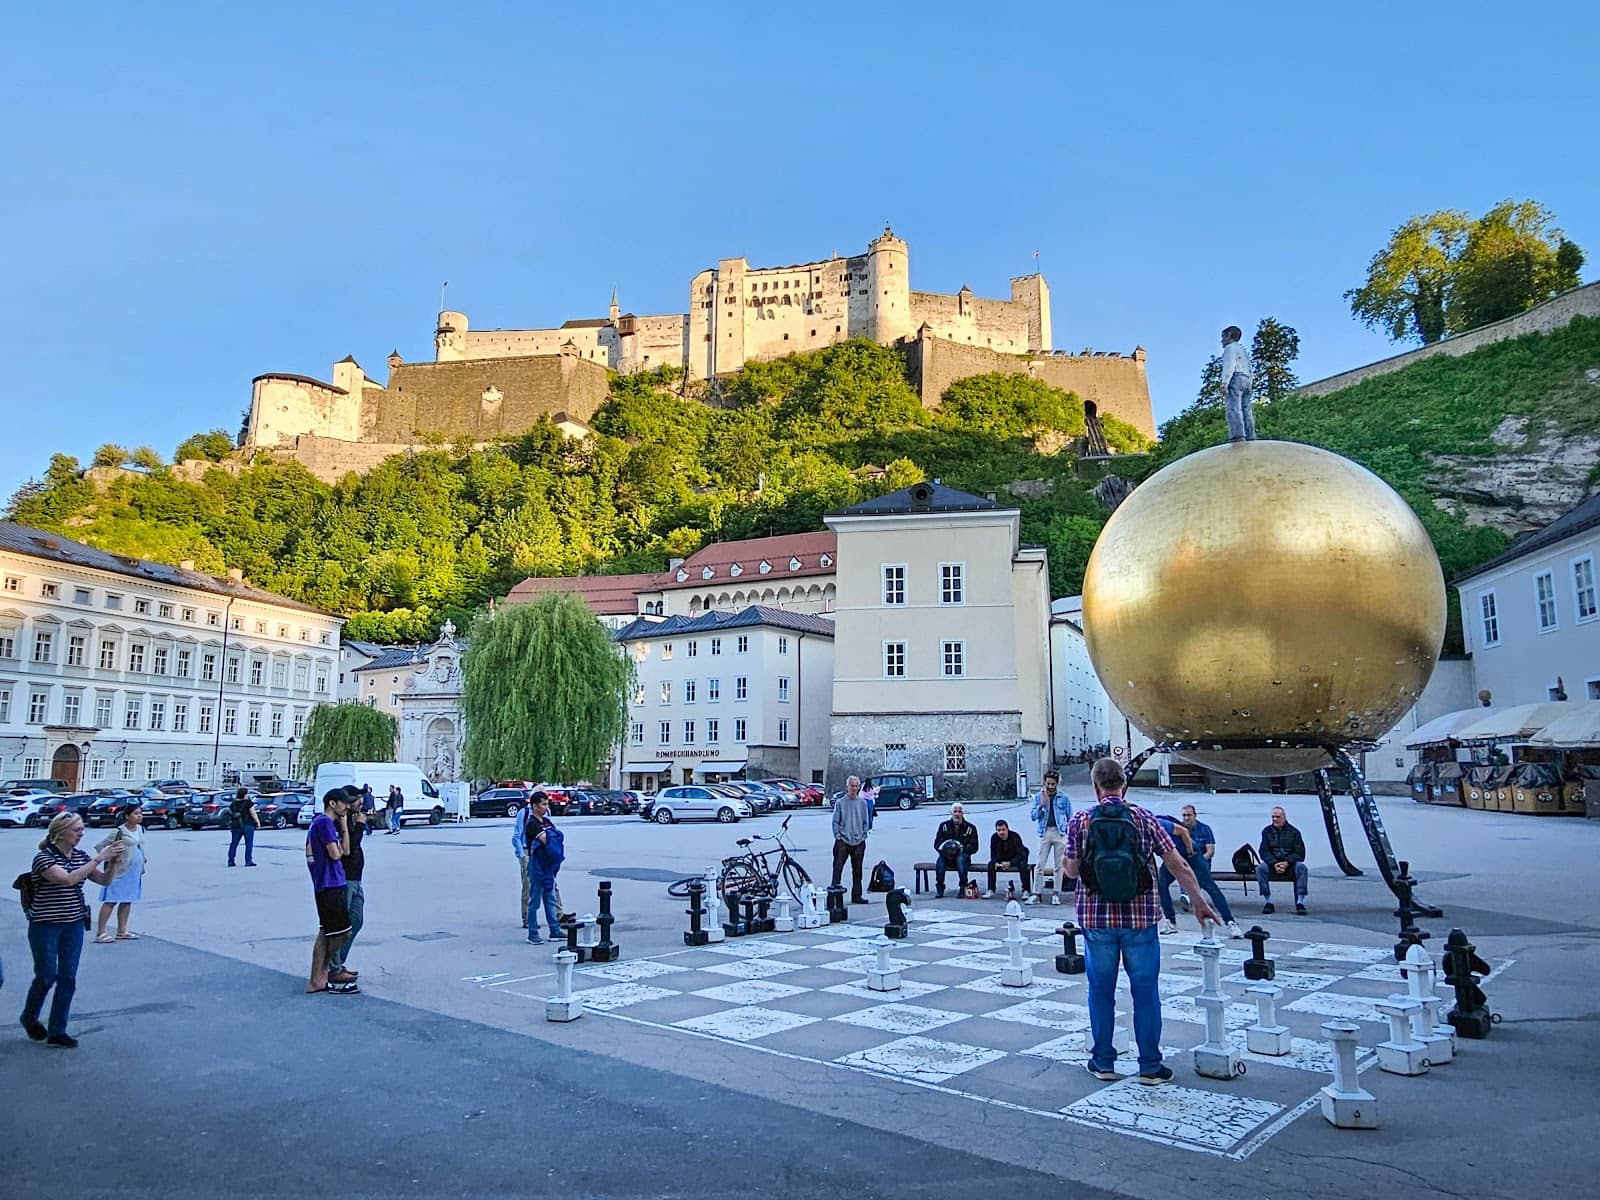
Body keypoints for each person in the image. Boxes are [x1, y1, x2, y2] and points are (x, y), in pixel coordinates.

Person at [1065, 758, 1219, 1086]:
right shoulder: (1145, 818)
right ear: (1124, 785)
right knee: (1146, 992)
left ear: (1095, 787)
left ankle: (1103, 1061)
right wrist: (1199, 901)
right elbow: (1178, 864)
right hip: (1141, 920)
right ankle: (1150, 1065)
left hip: (1097, 919)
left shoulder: (1081, 821)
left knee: (1100, 991)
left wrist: (1072, 860)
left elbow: (1072, 871)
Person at [21, 812, 124, 1047]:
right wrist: (99, 858)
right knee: (46, 975)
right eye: (76, 830)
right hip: (45, 924)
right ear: (61, 833)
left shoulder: (80, 856)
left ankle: (58, 1030)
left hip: (73, 923)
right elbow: (67, 879)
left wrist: (112, 862)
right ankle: (29, 1016)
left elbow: (103, 881)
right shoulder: (44, 858)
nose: (81, 833)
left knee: (68, 977)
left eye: (81, 829)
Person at [305, 789, 358, 994]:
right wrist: (336, 840)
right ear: (332, 804)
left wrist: (343, 828)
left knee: (327, 931)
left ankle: (317, 979)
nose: (347, 806)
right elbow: (336, 855)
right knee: (342, 932)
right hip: (329, 884)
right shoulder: (324, 823)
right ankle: (323, 973)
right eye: (343, 803)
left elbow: (345, 850)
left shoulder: (327, 824)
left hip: (331, 883)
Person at [1173, 803, 1244, 938]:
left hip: (1201, 863)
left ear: (1195, 815)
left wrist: (1199, 860)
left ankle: (1230, 922)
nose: (1186, 818)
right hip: (1185, 864)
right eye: (1184, 815)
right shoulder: (1178, 829)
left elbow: (1210, 851)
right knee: (1177, 876)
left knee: (1210, 887)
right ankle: (1176, 912)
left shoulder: (1205, 829)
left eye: (1189, 815)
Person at [326, 786, 367, 981]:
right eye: (357, 798)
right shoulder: (338, 823)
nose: (361, 801)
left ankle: (338, 963)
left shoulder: (350, 819)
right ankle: (334, 968)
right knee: (342, 925)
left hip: (356, 877)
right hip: (345, 877)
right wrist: (359, 825)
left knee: (356, 921)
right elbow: (349, 849)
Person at [94, 802, 146, 943]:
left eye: (140, 813)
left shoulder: (140, 829)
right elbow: (100, 846)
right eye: (136, 813)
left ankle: (122, 931)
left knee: (127, 900)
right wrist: (112, 858)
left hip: (133, 872)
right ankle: (101, 932)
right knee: (111, 901)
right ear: (127, 816)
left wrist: (143, 859)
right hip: (119, 871)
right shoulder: (118, 831)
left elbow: (138, 845)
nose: (139, 815)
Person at [523, 793, 565, 944]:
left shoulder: (546, 821)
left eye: (547, 804)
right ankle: (532, 933)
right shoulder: (532, 824)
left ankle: (554, 930)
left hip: (548, 864)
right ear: (534, 805)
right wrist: (553, 837)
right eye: (543, 804)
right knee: (535, 900)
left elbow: (557, 838)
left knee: (550, 898)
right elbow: (548, 840)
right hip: (537, 864)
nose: (546, 807)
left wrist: (553, 837)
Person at [1029, 768, 1072, 905]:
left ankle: (1056, 893)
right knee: (1040, 864)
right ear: (1044, 783)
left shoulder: (1063, 798)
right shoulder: (1038, 797)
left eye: (1053, 784)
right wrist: (1042, 805)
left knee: (1059, 865)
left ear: (1057, 784)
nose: (1050, 787)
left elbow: (1070, 816)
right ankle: (1036, 893)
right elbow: (1033, 817)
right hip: (1044, 832)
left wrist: (1069, 833)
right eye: (1048, 784)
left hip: (1059, 832)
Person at [1257, 805, 1308, 915]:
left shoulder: (1295, 832)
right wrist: (1274, 863)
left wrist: (1286, 862)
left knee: (1302, 868)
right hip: (1272, 865)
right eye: (1273, 817)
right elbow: (1263, 851)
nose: (1275, 819)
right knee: (1260, 868)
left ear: (1284, 817)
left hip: (1290, 865)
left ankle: (1300, 902)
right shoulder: (1266, 831)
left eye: (1277, 817)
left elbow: (1300, 853)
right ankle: (1268, 901)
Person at [830, 776, 871, 905]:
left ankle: (857, 895)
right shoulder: (841, 803)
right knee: (837, 868)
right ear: (847, 786)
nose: (854, 788)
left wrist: (864, 835)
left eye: (856, 786)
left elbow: (866, 821)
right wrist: (838, 836)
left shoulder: (862, 803)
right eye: (852, 786)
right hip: (843, 840)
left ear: (859, 787)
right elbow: (835, 821)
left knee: (858, 870)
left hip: (858, 841)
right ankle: (834, 895)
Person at [932, 803, 980, 899]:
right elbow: (937, 844)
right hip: (946, 856)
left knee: (961, 860)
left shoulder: (971, 828)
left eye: (959, 812)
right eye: (955, 812)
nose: (957, 814)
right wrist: (945, 851)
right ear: (951, 813)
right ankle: (940, 888)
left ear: (963, 813)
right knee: (940, 863)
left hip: (963, 856)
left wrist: (962, 849)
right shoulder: (943, 826)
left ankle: (963, 887)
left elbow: (975, 847)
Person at [1220, 325, 1255, 442]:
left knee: (1233, 407)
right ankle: (1250, 434)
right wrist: (1250, 383)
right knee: (1246, 408)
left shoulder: (1229, 348)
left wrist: (1224, 383)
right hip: (1246, 379)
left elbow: (1229, 365)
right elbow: (1249, 368)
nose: (1221, 341)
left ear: (1229, 335)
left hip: (1236, 377)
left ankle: (1237, 434)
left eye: (1223, 337)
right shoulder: (1243, 350)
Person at [985, 819, 1032, 899]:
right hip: (1003, 857)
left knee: (1024, 866)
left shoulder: (1015, 836)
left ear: (1007, 829)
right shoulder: (994, 837)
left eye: (1003, 830)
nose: (1001, 832)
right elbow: (993, 854)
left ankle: (1026, 890)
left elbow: (1020, 854)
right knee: (991, 865)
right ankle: (991, 889)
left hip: (1018, 856)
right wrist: (996, 862)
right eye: (999, 830)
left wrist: (1010, 863)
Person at [511, 796, 533, 927]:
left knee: (550, 885)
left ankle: (557, 915)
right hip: (526, 851)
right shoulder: (524, 813)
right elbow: (516, 836)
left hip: (540, 852)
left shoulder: (546, 812)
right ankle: (526, 918)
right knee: (528, 885)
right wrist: (521, 855)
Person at [227, 786, 259, 867]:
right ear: (244, 794)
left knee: (234, 843)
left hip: (235, 825)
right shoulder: (248, 803)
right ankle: (248, 861)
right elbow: (253, 813)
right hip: (247, 824)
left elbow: (230, 813)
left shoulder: (233, 803)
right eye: (247, 793)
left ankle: (231, 860)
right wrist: (257, 822)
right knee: (249, 843)